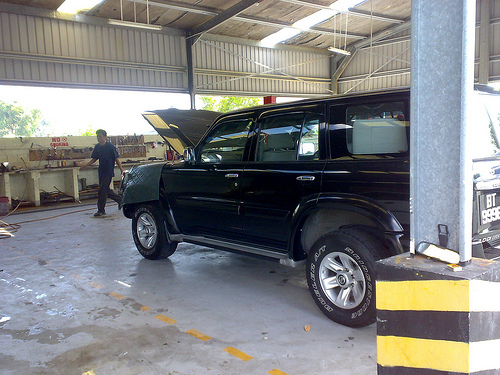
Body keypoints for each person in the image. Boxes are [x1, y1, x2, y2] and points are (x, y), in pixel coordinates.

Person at [80, 129, 124, 217]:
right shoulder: (97, 147)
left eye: (100, 136)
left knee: (102, 191)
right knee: (105, 190)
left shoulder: (110, 147)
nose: (98, 138)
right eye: (97, 136)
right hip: (101, 171)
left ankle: (101, 210)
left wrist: (121, 170)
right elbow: (94, 158)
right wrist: (86, 165)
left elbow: (116, 159)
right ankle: (120, 200)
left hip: (108, 171)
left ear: (105, 137)